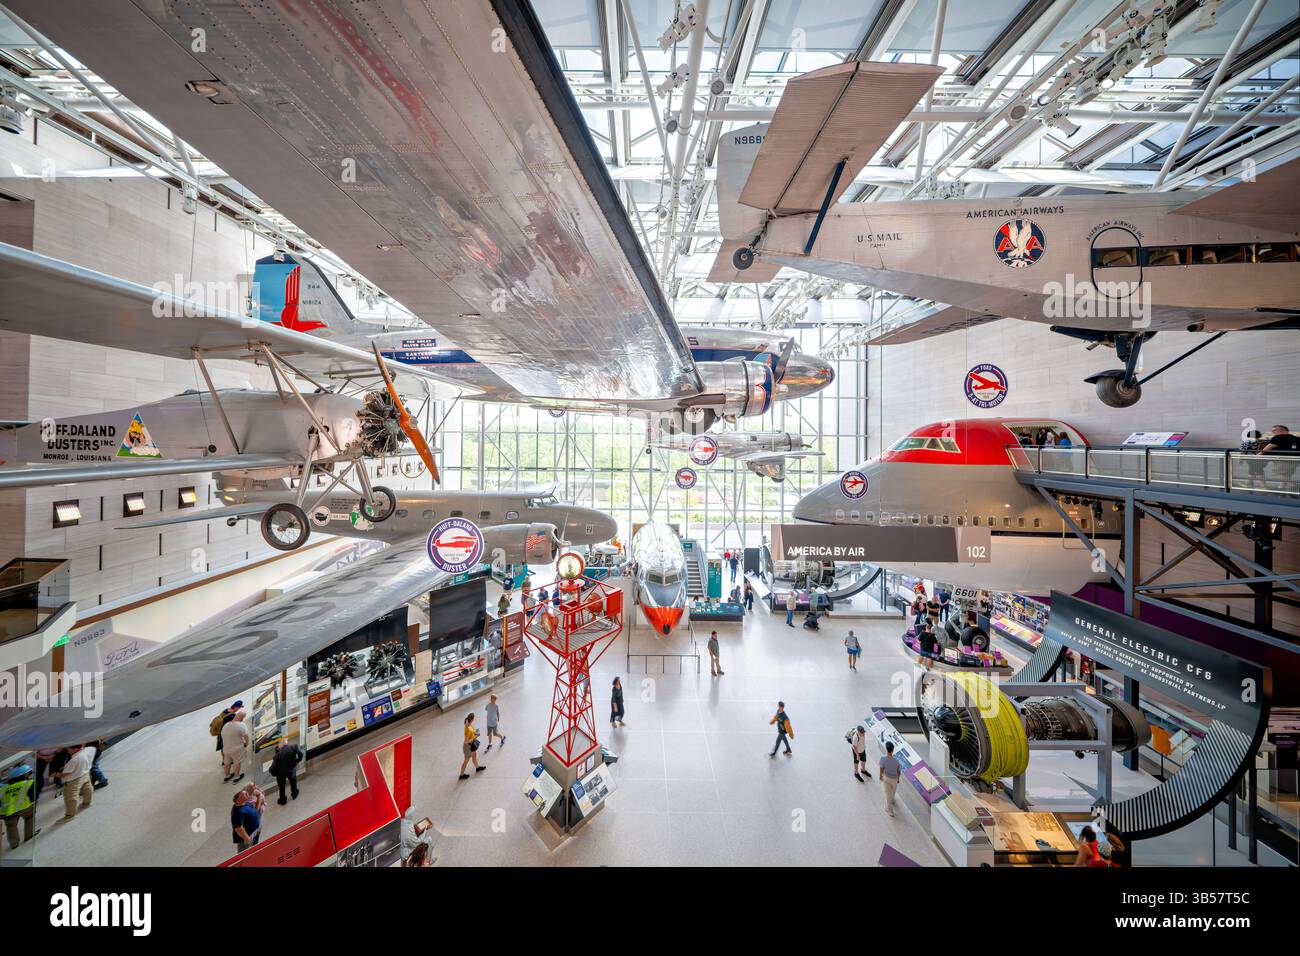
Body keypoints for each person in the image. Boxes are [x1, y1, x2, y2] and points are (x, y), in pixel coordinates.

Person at [54, 742, 96, 820]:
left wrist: (56, 774)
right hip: (85, 773)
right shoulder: (90, 749)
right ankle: (87, 804)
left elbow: (65, 774)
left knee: (71, 797)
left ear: (76, 749)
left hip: (74, 780)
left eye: (69, 749)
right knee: (88, 789)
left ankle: (69, 816)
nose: (68, 751)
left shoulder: (74, 760)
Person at [2, 764, 39, 849]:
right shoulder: (29, 783)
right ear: (25, 774)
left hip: (8, 811)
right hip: (25, 808)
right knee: (30, 817)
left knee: (11, 826)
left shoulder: (3, 788)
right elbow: (34, 796)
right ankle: (29, 835)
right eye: (28, 773)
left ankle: (13, 844)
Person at [210, 699, 243, 772]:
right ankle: (227, 761)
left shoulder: (226, 710)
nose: (239, 709)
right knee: (225, 748)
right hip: (225, 734)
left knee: (222, 747)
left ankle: (224, 761)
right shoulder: (232, 716)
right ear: (236, 707)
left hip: (220, 733)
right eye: (239, 707)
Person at [269, 740, 304, 805]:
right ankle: (294, 794)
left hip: (281, 773)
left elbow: (273, 767)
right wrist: (295, 762)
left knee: (281, 786)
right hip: (291, 770)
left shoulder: (277, 755)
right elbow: (301, 755)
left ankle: (282, 800)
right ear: (286, 743)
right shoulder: (293, 747)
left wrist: (273, 773)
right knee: (293, 782)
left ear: (280, 746)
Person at [220, 709, 251, 784]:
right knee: (237, 762)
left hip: (226, 749)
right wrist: (246, 744)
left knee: (227, 763)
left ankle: (227, 776)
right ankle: (237, 777)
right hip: (236, 749)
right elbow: (246, 737)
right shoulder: (241, 725)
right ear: (242, 718)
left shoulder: (226, 725)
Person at [458, 713, 486, 780]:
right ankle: (461, 775)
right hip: (467, 747)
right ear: (472, 719)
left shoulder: (469, 724)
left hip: (471, 745)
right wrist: (475, 737)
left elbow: (472, 733)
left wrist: (475, 733)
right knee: (466, 761)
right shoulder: (468, 728)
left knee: (474, 756)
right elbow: (466, 741)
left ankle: (477, 767)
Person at [879, 740, 902, 817]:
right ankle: (889, 808)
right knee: (891, 792)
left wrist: (880, 776)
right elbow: (898, 771)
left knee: (888, 793)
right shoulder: (897, 761)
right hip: (894, 779)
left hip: (886, 778)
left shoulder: (883, 758)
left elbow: (881, 768)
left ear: (886, 749)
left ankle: (888, 807)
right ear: (893, 750)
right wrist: (898, 779)